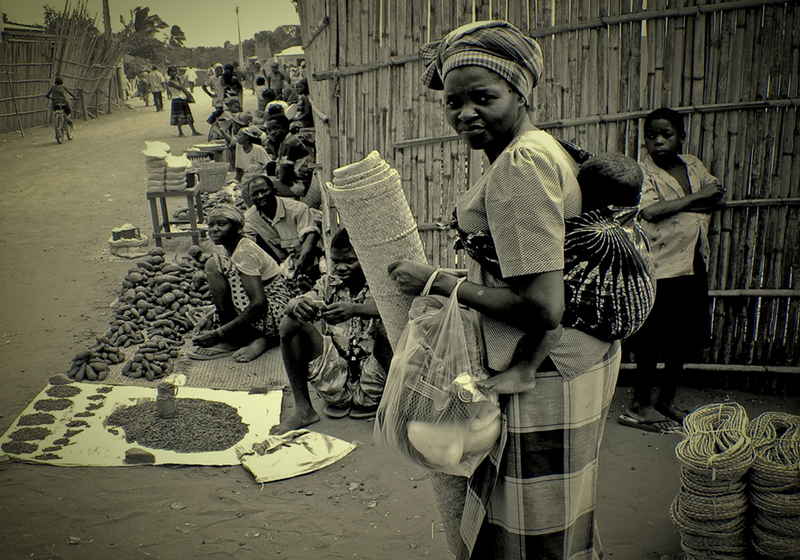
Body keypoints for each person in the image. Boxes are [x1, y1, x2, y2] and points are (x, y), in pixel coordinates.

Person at [387, 21, 622, 560]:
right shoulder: (547, 149)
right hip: (576, 358)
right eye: (453, 102)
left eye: (484, 97)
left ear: (521, 92)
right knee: (560, 516)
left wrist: (436, 282)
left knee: (528, 528)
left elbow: (543, 307)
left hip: (543, 371)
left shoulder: (520, 163)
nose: (465, 113)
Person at [619, 108, 726, 433]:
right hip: (660, 266)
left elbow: (717, 196)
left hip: (692, 261)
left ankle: (666, 399)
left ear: (681, 136)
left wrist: (688, 201)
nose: (658, 141)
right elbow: (651, 211)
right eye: (651, 136)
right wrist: (699, 198)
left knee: (681, 338)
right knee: (651, 340)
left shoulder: (692, 165)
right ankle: (640, 404)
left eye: (666, 135)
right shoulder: (643, 172)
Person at [270, 228, 393, 434]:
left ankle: (400, 409)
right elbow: (297, 302)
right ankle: (303, 409)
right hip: (335, 381)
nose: (340, 268)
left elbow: (402, 309)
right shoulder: (328, 283)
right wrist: (297, 304)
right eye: (335, 262)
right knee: (289, 323)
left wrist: (356, 310)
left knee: (386, 329)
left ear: (365, 258)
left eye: (349, 261)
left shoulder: (382, 285)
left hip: (378, 384)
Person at [190, 205, 294, 362]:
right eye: (211, 225)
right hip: (273, 311)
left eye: (222, 224)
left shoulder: (243, 253)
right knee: (202, 314)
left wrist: (220, 333)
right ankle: (260, 339)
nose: (214, 229)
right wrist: (213, 315)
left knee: (212, 265)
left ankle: (234, 340)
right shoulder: (232, 247)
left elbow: (259, 303)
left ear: (238, 228)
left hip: (276, 313)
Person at [243, 171, 321, 291]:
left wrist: (302, 260)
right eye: (255, 194)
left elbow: (310, 235)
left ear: (274, 190)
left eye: (264, 191)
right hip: (277, 264)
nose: (260, 196)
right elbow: (248, 244)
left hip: (305, 259)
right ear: (250, 198)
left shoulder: (297, 209)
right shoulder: (249, 219)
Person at [166, 66, 201, 137]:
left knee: (187, 115)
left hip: (181, 98)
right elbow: (181, 87)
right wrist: (181, 82)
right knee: (179, 116)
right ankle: (180, 132)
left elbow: (182, 87)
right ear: (169, 73)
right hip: (176, 99)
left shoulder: (177, 79)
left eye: (174, 71)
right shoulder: (170, 82)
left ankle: (193, 131)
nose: (173, 73)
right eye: (172, 71)